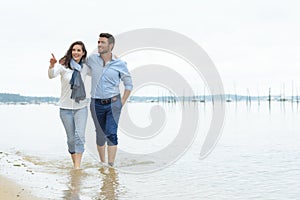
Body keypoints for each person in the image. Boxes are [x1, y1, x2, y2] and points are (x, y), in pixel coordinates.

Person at [87, 33, 133, 167]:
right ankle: (102, 163)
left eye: (102, 42)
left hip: (113, 103)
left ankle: (111, 165)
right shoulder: (92, 59)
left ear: (110, 45)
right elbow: (77, 61)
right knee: (100, 134)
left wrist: (122, 102)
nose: (99, 45)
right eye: (98, 42)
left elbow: (128, 84)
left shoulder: (120, 64)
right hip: (96, 104)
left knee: (111, 133)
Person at [48, 41, 89, 169]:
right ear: (71, 51)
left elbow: (101, 71)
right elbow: (51, 75)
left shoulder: (86, 67)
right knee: (71, 139)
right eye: (74, 50)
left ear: (83, 53)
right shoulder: (63, 66)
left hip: (81, 107)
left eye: (79, 50)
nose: (76, 52)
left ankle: (77, 167)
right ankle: (75, 163)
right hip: (65, 108)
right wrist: (51, 65)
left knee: (79, 136)